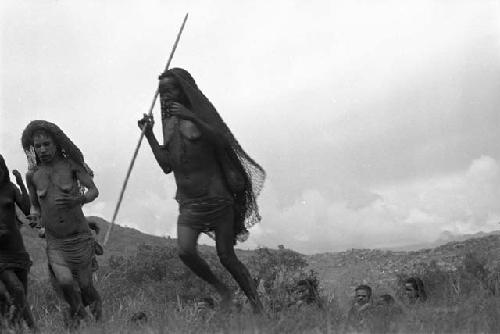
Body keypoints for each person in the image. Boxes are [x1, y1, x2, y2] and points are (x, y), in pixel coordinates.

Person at [138, 68, 266, 313]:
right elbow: (167, 165)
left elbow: (221, 140)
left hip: (217, 199)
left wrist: (193, 117)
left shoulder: (200, 116)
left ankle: (257, 304)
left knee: (226, 256)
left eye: (170, 90)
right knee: (185, 252)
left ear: (184, 90)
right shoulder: (169, 124)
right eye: (161, 92)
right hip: (189, 203)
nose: (165, 96)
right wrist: (151, 136)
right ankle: (222, 289)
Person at [21, 120, 102, 325]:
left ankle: (98, 321)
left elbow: (93, 190)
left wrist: (79, 199)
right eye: (38, 146)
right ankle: (82, 319)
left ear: (56, 143)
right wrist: (36, 218)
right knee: (65, 282)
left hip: (80, 238)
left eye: (47, 144)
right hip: (55, 242)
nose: (43, 149)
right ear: (33, 149)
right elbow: (34, 205)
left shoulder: (71, 166)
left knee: (85, 286)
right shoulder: (33, 175)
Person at [0, 155, 36, 329]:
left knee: (21, 297)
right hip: (1, 255)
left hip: (17, 249)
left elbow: (27, 209)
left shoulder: (9, 188)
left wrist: (21, 184)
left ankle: (13, 327)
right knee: (17, 290)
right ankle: (35, 329)